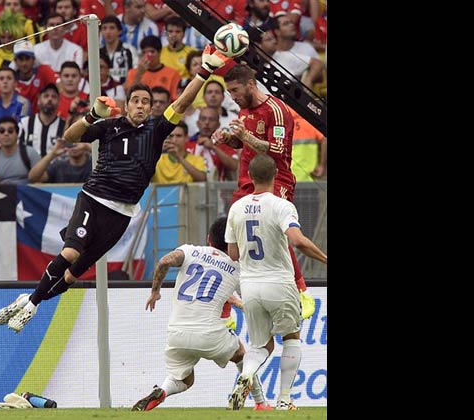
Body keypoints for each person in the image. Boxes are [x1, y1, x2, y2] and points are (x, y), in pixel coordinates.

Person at [0, 44, 234, 333]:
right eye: (136, 101)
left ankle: (29, 298)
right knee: (70, 253)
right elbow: (71, 137)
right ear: (127, 103)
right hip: (93, 199)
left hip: (121, 214)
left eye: (147, 101)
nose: (142, 106)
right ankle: (32, 305)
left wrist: (204, 72)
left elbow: (182, 103)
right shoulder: (110, 126)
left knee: (71, 277)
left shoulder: (156, 130)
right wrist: (91, 115)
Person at [131, 217, 271, 412]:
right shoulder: (237, 267)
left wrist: (155, 291)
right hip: (210, 334)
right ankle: (260, 403)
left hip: (176, 334)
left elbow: (164, 261)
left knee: (184, 380)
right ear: (234, 243)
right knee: (241, 355)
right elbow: (252, 301)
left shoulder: (190, 251)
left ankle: (162, 391)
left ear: (208, 239)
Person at [212, 63, 315, 320]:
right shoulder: (245, 108)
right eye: (229, 92)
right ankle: (231, 300)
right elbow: (243, 142)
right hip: (247, 180)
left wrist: (245, 136)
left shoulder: (277, 110)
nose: (232, 96)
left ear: (250, 85)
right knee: (233, 233)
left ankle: (302, 290)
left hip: (274, 179)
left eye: (234, 90)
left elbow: (277, 150)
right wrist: (229, 139)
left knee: (281, 233)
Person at [225, 153, 327, 411]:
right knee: (291, 337)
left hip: (249, 285)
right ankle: (284, 400)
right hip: (279, 282)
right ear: (274, 176)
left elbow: (233, 254)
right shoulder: (281, 205)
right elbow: (297, 240)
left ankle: (246, 375)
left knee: (261, 345)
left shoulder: (236, 208)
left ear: (249, 176)